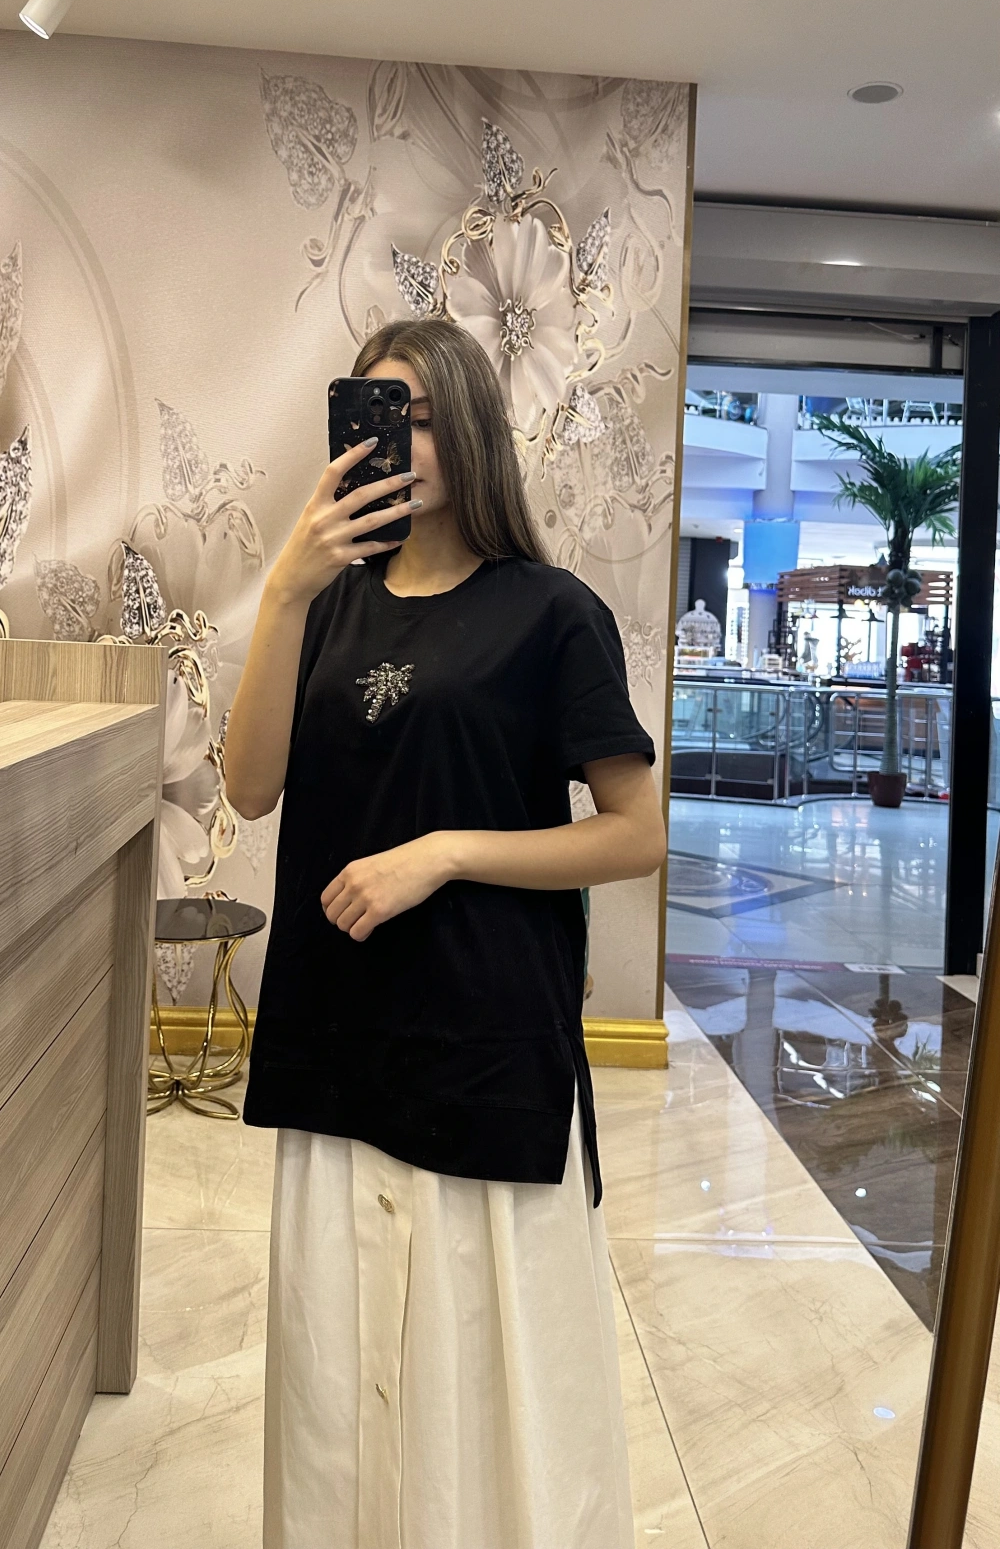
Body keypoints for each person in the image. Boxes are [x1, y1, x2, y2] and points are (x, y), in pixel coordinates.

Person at [224, 316, 665, 1549]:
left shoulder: (552, 612)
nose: (392, 442)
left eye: (415, 415)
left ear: (466, 428)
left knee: (483, 1381)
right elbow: (249, 787)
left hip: (484, 1044)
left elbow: (635, 833)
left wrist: (447, 851)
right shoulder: (326, 605)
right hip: (337, 1033)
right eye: (370, 416)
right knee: (338, 1385)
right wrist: (283, 589)